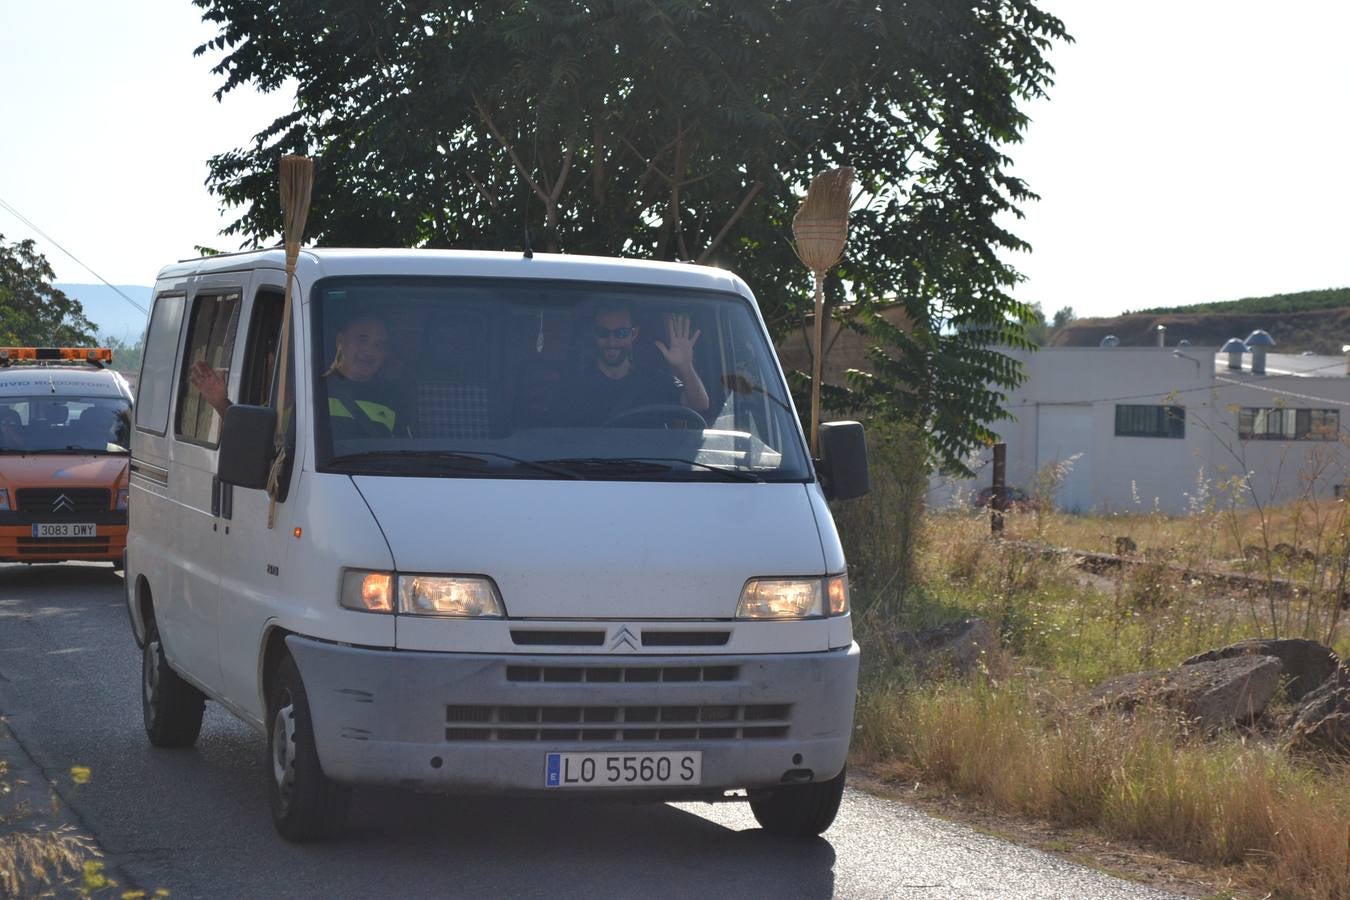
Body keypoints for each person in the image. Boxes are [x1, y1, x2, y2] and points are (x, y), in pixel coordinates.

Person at [189, 311, 411, 439]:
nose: (370, 350)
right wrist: (220, 401)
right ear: (340, 341)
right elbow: (255, 440)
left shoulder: (394, 399)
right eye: (362, 338)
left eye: (379, 344)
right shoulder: (304, 390)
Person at [560, 305, 710, 426]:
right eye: (603, 332)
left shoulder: (654, 382)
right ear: (594, 334)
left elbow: (699, 405)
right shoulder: (574, 386)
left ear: (634, 334)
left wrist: (685, 367)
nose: (611, 342)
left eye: (621, 333)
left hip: (650, 462)